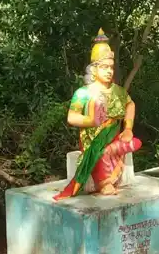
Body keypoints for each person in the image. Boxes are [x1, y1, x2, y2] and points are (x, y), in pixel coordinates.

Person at [55, 29, 142, 199]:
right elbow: (72, 117)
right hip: (92, 139)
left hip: (115, 137)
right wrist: (91, 120)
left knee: (135, 142)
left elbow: (130, 104)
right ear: (94, 70)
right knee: (100, 152)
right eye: (104, 67)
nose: (109, 71)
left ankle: (112, 152)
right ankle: (105, 182)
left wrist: (128, 128)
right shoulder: (83, 92)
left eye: (111, 67)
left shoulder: (118, 91)